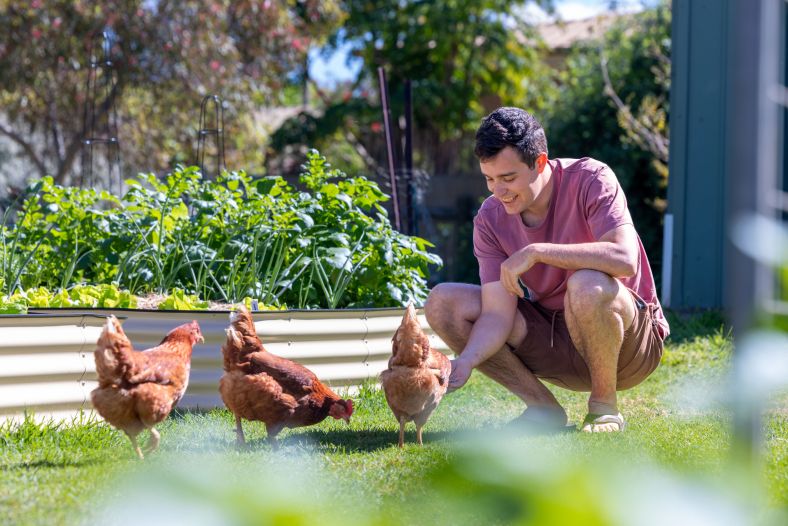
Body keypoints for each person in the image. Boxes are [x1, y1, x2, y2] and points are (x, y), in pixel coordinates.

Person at [425, 107, 669, 432]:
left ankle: (604, 408)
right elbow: (498, 315)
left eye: (508, 178)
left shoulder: (591, 178)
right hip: (554, 343)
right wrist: (466, 361)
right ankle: (543, 410)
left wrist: (539, 252)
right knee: (442, 301)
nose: (499, 191)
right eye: (489, 179)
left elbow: (625, 259)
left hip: (628, 345)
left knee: (587, 284)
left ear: (539, 163)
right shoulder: (489, 219)